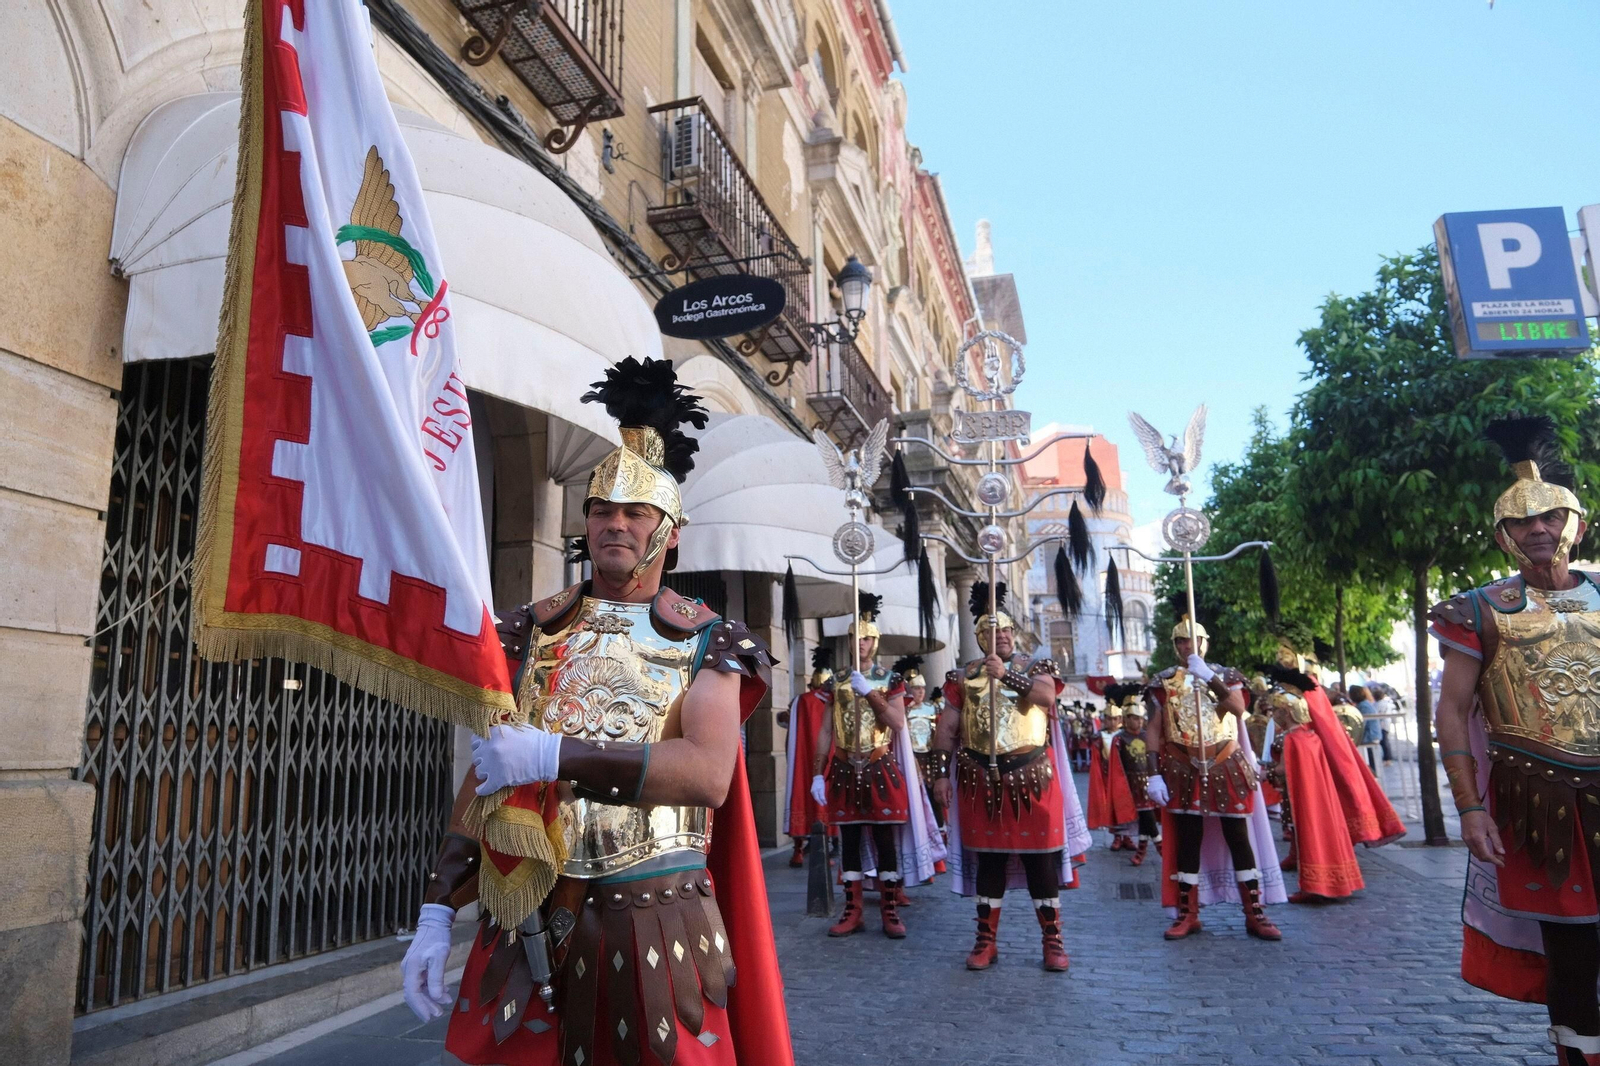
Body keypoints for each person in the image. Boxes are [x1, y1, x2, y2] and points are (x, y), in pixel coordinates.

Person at [399, 358, 791, 1066]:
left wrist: (555, 757)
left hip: (653, 912)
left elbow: (706, 774)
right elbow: (486, 778)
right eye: (602, 510)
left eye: (636, 512)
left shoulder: (710, 640)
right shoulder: (527, 631)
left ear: (670, 531)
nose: (616, 524)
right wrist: (437, 905)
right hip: (527, 905)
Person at [1430, 416, 1600, 1066]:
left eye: (1550, 517)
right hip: (1539, 800)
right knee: (1574, 952)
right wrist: (1471, 807)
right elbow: (1453, 711)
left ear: (1573, 522)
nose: (1539, 529)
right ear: (1504, 535)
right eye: (1524, 523)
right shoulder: (1478, 609)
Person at [929, 582, 1090, 972]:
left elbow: (1046, 698)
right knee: (990, 863)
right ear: (980, 636)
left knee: (1041, 863)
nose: (1000, 636)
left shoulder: (1036, 667)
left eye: (1005, 630)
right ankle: (986, 940)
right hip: (978, 778)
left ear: (1013, 635)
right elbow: (947, 729)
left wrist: (1006, 676)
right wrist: (939, 776)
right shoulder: (962, 677)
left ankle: (1052, 940)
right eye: (991, 630)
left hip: (1031, 774)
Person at [1144, 600, 1284, 941]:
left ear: (1204, 643)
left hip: (1226, 764)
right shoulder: (1162, 682)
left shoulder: (1227, 677)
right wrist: (1152, 773)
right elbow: (1154, 729)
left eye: (1191, 640)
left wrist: (1209, 677)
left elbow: (1238, 710)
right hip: (1181, 766)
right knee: (1188, 841)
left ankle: (1254, 911)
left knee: (1239, 838)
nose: (1186, 646)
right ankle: (1188, 913)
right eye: (1180, 641)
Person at [811, 594, 943, 938]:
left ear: (876, 641)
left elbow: (898, 723)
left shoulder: (890, 679)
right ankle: (853, 910)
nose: (862, 643)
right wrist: (816, 773)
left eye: (868, 637)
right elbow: (826, 729)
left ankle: (889, 909)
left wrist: (870, 692)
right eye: (857, 637)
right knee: (849, 842)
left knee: (886, 842)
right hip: (842, 768)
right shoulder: (836, 681)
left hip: (878, 764)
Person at [1279, 642, 1406, 848]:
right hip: (1302, 746)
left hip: (1314, 747)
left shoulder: (1307, 684)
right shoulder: (1295, 685)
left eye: (1285, 656)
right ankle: (1300, 847)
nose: (1280, 660)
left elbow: (1315, 719)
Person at [1261, 669, 1365, 904]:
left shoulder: (1292, 739)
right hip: (1322, 800)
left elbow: (1283, 769)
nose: (1274, 714)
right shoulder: (1311, 737)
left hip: (1306, 799)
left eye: (1278, 710)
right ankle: (1335, 881)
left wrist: (1261, 775)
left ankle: (1314, 886)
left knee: (1310, 836)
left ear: (1287, 712)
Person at [783, 647, 835, 867]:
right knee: (822, 800)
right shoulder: (808, 701)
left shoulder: (800, 701)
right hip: (826, 758)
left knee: (802, 795)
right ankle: (820, 850)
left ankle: (798, 850)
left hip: (805, 761)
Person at [1350, 685, 1382, 772]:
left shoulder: (1363, 706)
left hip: (1370, 736)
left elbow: (1360, 724)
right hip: (1372, 735)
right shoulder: (1365, 704)